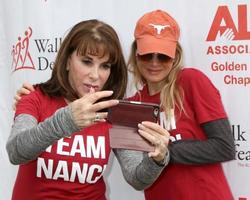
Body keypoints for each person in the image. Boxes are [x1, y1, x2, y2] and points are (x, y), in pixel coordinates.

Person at [7, 19, 170, 200]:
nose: (95, 75)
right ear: (68, 61)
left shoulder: (115, 111)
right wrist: (67, 121)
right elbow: (16, 152)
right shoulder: (35, 97)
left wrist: (158, 158)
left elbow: (137, 179)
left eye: (105, 66)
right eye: (87, 61)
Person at [113, 10, 235, 200]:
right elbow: (135, 178)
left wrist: (166, 152)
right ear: (136, 53)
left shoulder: (192, 81)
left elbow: (224, 147)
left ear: (175, 56)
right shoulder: (129, 108)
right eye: (147, 55)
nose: (154, 63)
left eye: (162, 56)